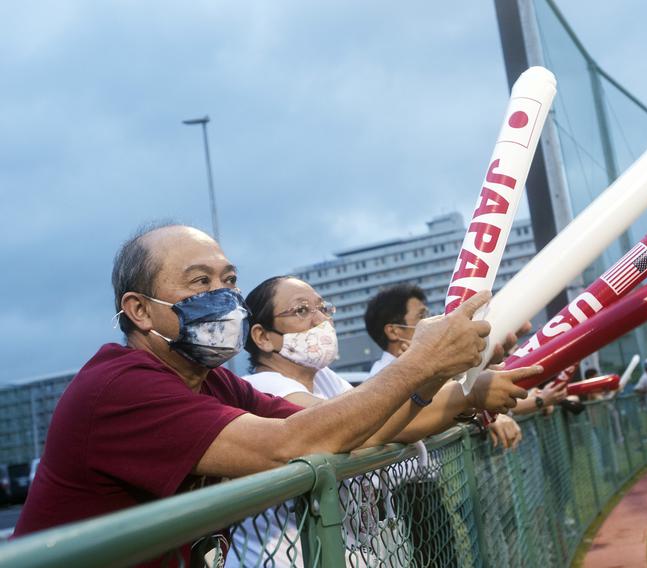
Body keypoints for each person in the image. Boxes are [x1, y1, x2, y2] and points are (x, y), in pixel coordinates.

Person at [13, 224, 500, 558]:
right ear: (139, 311)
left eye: (229, 281)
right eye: (199, 283)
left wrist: (432, 373)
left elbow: (347, 433)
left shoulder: (211, 381)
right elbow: (290, 445)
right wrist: (420, 362)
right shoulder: (121, 387)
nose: (224, 298)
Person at [241, 277, 535, 445]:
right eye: (302, 311)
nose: (321, 320)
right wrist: (467, 392)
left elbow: (385, 418)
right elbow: (356, 426)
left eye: (323, 308)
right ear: (263, 337)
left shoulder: (326, 378)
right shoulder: (263, 386)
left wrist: (463, 382)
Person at [364, 284, 527, 449]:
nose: (431, 322)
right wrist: (473, 400)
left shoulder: (425, 372)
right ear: (394, 331)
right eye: (422, 316)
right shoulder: (381, 382)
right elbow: (406, 423)